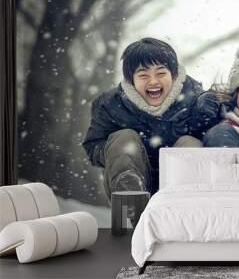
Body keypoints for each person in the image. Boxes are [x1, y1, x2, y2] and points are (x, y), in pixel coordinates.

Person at [83, 38, 219, 198]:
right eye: (143, 75)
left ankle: (182, 202)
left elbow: (215, 143)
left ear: (174, 76)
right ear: (131, 80)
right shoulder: (111, 104)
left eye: (161, 73)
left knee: (191, 144)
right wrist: (117, 154)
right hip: (130, 178)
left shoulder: (196, 100)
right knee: (124, 139)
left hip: (180, 183)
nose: (153, 81)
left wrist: (207, 118)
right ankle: (130, 197)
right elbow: (93, 144)